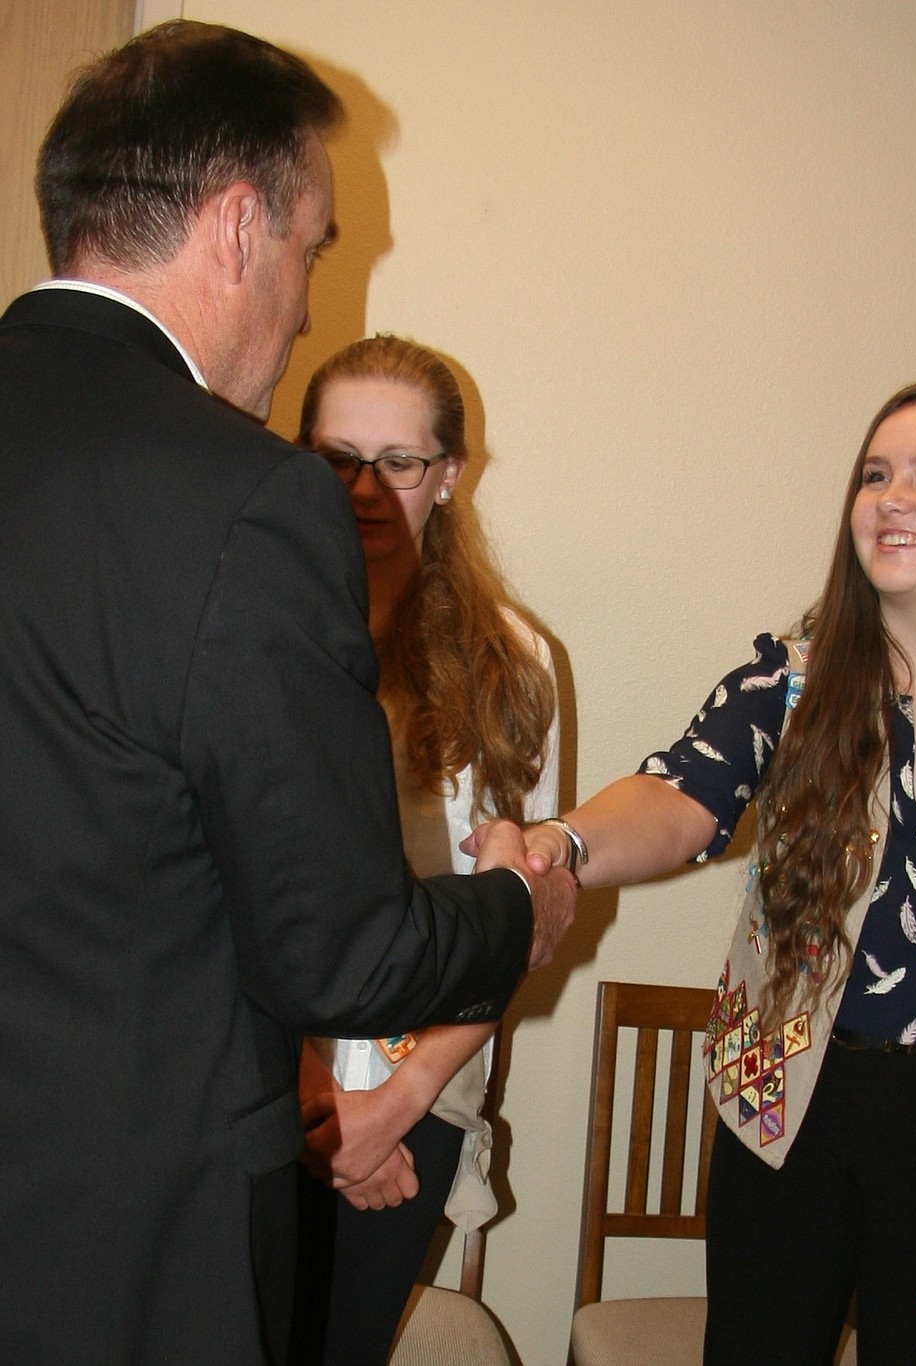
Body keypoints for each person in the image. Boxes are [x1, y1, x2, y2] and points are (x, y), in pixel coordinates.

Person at [0, 23, 574, 1365]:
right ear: (237, 223)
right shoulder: (246, 499)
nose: (313, 300)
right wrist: (518, 910)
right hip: (127, 1238)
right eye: (317, 244)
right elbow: (335, 948)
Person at [479, 382, 916, 1365]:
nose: (890, 496)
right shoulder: (789, 680)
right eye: (875, 474)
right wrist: (564, 842)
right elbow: (680, 800)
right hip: (783, 1099)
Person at [288, 335, 560, 1362]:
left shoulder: (514, 662)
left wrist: (388, 1110)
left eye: (400, 462)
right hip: (265, 1087)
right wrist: (315, 1104)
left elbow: (522, 920)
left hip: (421, 1094)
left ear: (448, 476)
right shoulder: (252, 632)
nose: (366, 487)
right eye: (336, 456)